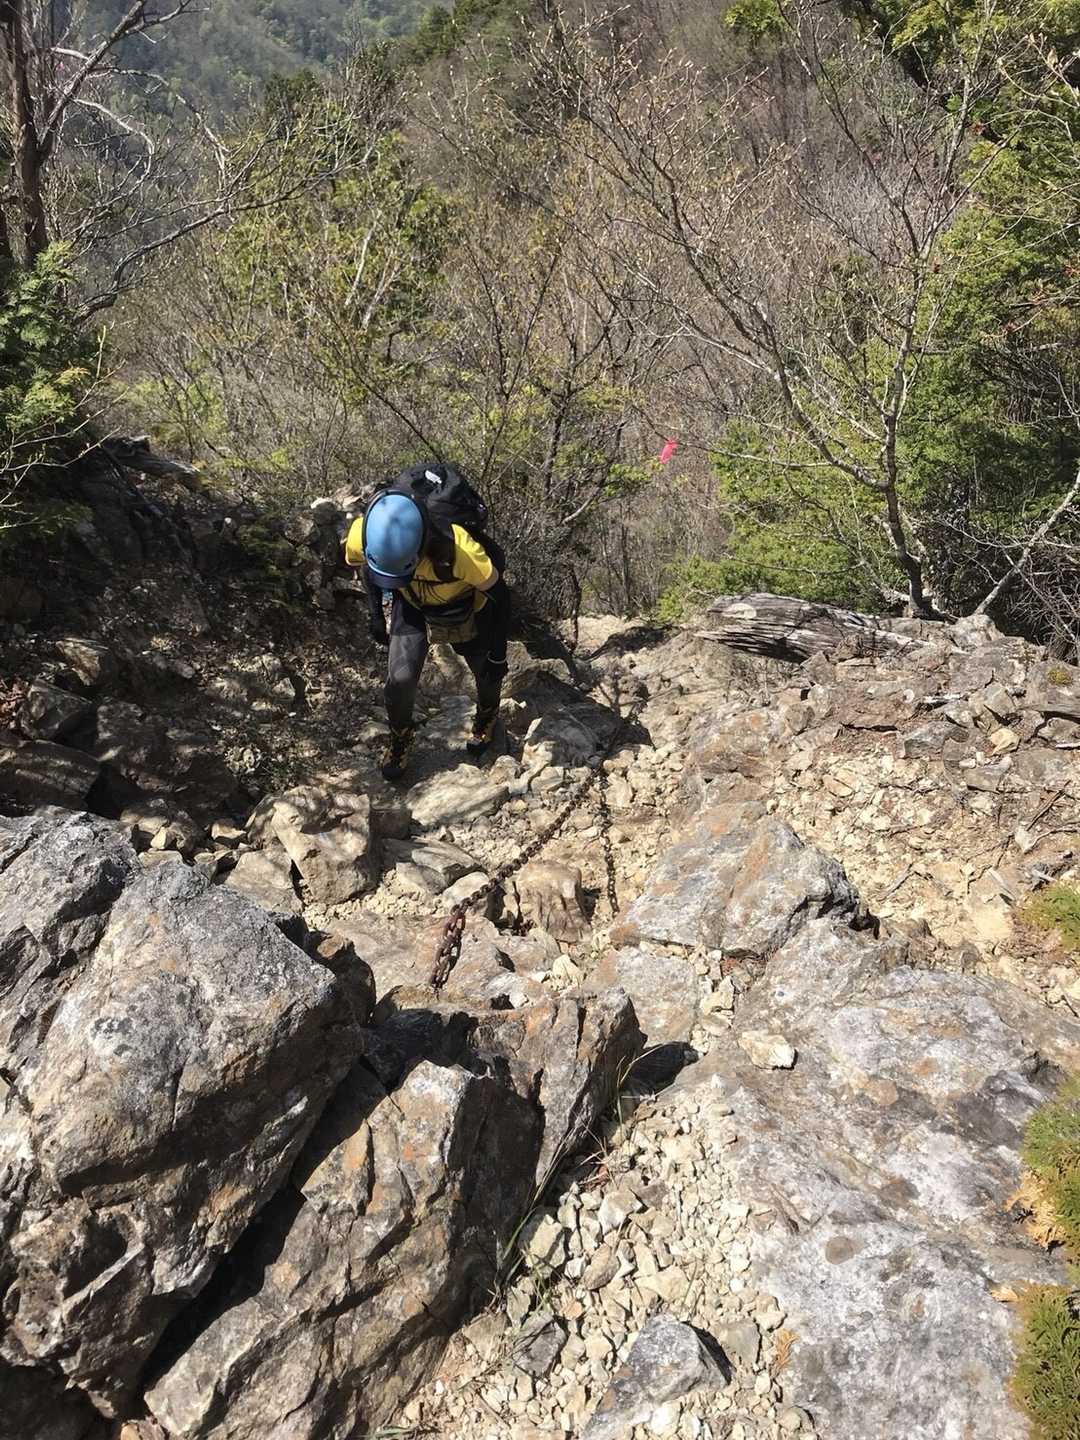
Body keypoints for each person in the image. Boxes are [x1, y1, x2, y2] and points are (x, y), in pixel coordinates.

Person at [357, 480, 511, 781]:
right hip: (411, 602)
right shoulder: (367, 530)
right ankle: (400, 737)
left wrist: (499, 654)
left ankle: (487, 714)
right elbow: (366, 565)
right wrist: (375, 615)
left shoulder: (462, 552)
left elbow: (500, 596)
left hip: (465, 604)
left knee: (486, 670)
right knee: (400, 680)